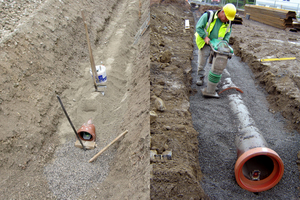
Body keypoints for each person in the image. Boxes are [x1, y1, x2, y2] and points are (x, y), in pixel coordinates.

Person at [195, 3, 236, 85]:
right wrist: (204, 37)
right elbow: (198, 27)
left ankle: (212, 82)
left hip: (218, 45)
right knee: (202, 62)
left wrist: (225, 42)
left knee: (217, 63)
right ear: (222, 12)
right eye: (226, 17)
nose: (227, 19)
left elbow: (228, 33)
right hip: (205, 42)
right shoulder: (208, 15)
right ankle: (200, 77)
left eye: (229, 18)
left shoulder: (229, 22)